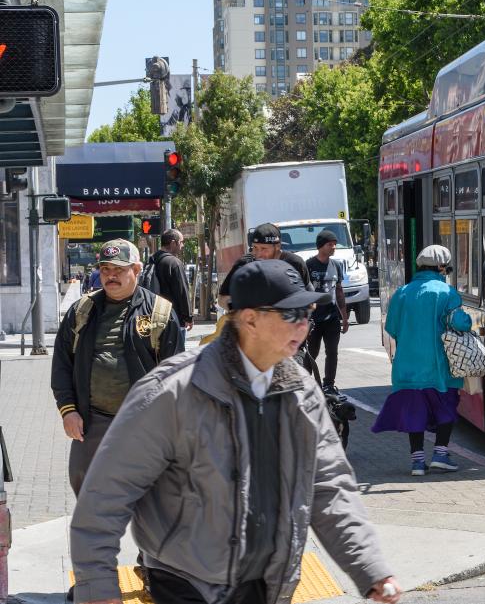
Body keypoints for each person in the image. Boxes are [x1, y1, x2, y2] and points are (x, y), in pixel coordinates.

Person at [68, 259, 402, 604]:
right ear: (250, 319)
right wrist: (97, 586)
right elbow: (106, 493)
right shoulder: (171, 391)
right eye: (290, 314)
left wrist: (369, 566)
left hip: (268, 583)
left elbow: (329, 485)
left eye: (307, 311)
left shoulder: (301, 392)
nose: (304, 325)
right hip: (185, 582)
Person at [51, 239, 186, 498]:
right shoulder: (81, 311)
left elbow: (177, 375)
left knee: (152, 500)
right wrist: (68, 411)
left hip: (143, 424)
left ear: (136, 270)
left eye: (119, 269)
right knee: (88, 494)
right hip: (92, 422)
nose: (111, 276)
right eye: (105, 270)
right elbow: (61, 365)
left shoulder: (160, 312)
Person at [372, 244, 471, 476]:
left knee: (414, 413)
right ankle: (440, 454)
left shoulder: (403, 292)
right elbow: (460, 323)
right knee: (445, 408)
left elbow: (392, 327)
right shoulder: (447, 293)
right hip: (439, 368)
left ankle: (417, 462)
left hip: (407, 368)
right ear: (441, 267)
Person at [217, 222, 311, 310]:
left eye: (264, 249)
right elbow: (222, 298)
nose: (258, 254)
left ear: (277, 246)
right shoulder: (244, 264)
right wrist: (240, 309)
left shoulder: (295, 263)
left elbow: (311, 301)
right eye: (255, 248)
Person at [305, 229, 349, 391]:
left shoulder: (336, 265)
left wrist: (344, 317)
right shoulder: (309, 265)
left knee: (332, 352)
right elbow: (302, 292)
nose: (333, 247)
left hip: (331, 318)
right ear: (321, 246)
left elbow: (339, 291)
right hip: (313, 319)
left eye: (334, 244)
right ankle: (305, 383)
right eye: (330, 244)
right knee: (312, 353)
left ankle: (329, 384)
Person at [142, 228, 194, 331]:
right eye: (181, 242)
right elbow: (182, 292)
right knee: (177, 347)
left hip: (153, 316)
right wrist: (188, 317)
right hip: (173, 319)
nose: (182, 245)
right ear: (173, 243)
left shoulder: (151, 260)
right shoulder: (174, 263)